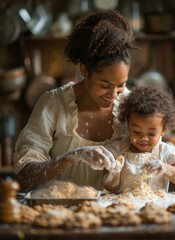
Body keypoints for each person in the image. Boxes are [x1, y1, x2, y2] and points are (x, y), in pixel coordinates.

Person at [13, 10, 138, 190]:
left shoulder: (130, 104)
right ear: (84, 71)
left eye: (120, 85)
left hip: (113, 213)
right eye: (105, 84)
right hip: (59, 211)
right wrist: (73, 156)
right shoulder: (54, 103)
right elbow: (26, 176)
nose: (113, 94)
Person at [102, 84, 175, 193]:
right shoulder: (116, 150)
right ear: (128, 125)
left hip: (155, 207)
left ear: (163, 130)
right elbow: (110, 187)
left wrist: (165, 168)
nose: (144, 138)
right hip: (125, 207)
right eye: (137, 132)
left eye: (151, 134)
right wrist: (114, 171)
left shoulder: (165, 151)